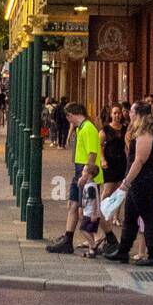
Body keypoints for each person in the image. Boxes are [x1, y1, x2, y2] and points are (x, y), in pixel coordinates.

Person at [45, 101, 116, 256]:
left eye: (68, 117)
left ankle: (110, 239)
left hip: (88, 174)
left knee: (93, 211)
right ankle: (68, 239)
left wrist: (86, 175)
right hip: (81, 172)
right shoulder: (81, 128)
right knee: (72, 204)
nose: (68, 120)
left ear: (71, 115)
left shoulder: (88, 128)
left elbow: (92, 153)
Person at [107, 102, 153, 268]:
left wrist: (125, 183)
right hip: (141, 182)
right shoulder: (144, 132)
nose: (129, 114)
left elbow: (139, 161)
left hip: (145, 182)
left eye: (132, 111)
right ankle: (123, 251)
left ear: (139, 114)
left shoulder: (145, 134)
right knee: (130, 217)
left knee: (148, 217)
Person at [93, 104, 128, 257]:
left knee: (120, 191)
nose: (117, 115)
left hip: (121, 163)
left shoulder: (126, 129)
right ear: (110, 115)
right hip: (109, 163)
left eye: (119, 113)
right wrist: (102, 159)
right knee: (107, 190)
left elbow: (128, 146)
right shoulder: (105, 130)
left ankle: (115, 216)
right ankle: (102, 212)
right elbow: (99, 146)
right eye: (114, 113)